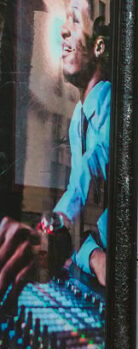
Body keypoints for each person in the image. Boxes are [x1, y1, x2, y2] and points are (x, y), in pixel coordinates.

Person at [0, 0, 110, 305]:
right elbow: (79, 194)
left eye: (74, 21)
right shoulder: (78, 120)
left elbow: (91, 169)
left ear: (99, 47)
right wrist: (91, 255)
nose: (63, 30)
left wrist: (54, 230)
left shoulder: (111, 107)